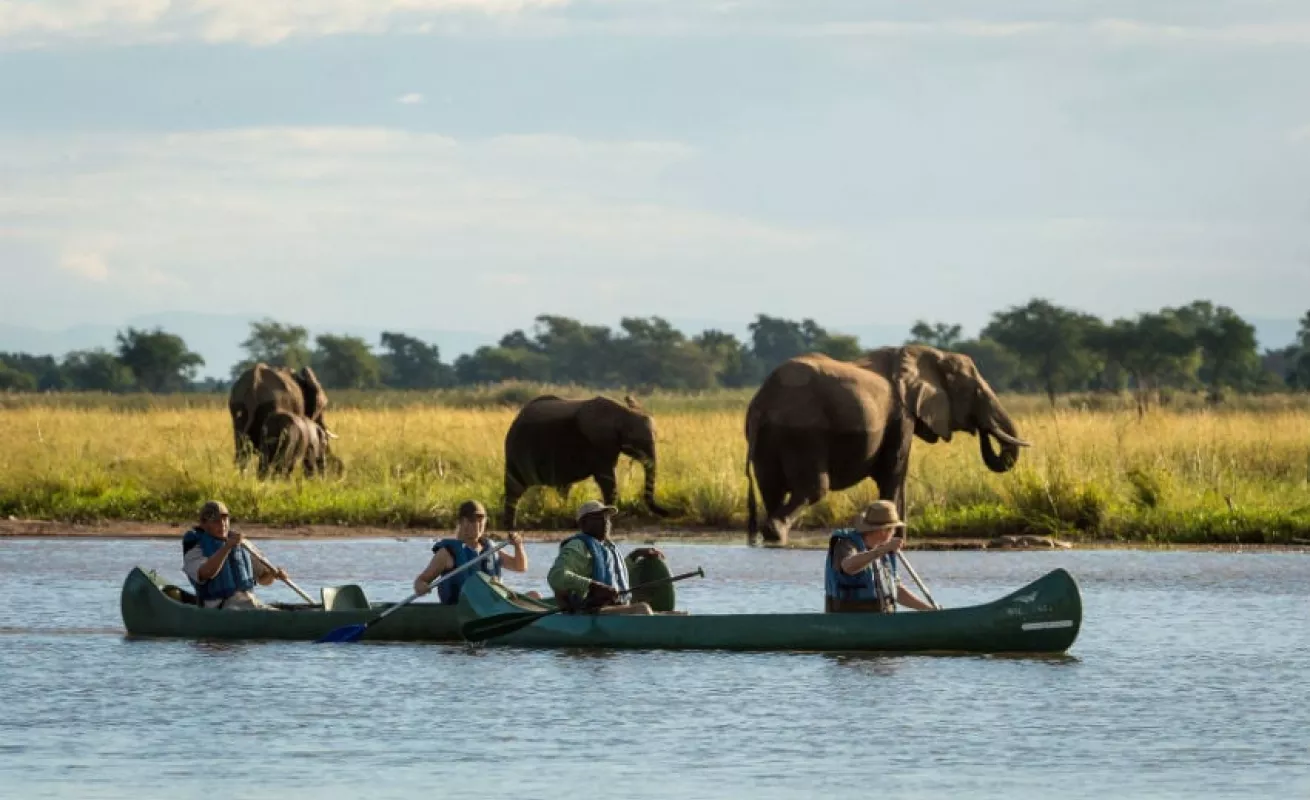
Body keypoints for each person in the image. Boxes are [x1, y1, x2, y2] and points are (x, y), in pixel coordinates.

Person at [547, 500, 664, 615]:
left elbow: (613, 575)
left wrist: (635, 555)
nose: (605, 521)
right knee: (642, 609)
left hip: (613, 609)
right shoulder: (577, 546)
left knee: (672, 613)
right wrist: (593, 586)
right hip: (588, 611)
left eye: (606, 517)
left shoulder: (606, 547)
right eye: (598, 517)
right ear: (583, 523)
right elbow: (556, 575)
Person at [824, 500, 934, 613]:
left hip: (880, 620)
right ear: (884, 531)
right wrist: (882, 550)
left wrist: (927, 609)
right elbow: (848, 566)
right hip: (850, 619)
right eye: (893, 529)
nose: (894, 533)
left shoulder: (883, 551)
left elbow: (896, 590)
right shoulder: (846, 543)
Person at [181, 500, 290, 610]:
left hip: (248, 603)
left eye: (224, 519)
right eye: (215, 521)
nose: (222, 524)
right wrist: (227, 547)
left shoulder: (241, 544)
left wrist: (273, 574)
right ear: (203, 524)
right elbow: (206, 573)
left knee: (269, 609)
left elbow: (264, 579)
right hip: (220, 607)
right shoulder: (196, 548)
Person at [413, 500, 528, 603]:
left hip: (493, 606)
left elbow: (520, 567)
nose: (477, 525)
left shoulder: (491, 549)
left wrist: (518, 545)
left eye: (481, 520)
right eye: (472, 520)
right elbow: (420, 581)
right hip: (462, 609)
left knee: (534, 595)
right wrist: (421, 587)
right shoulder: (447, 553)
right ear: (462, 522)